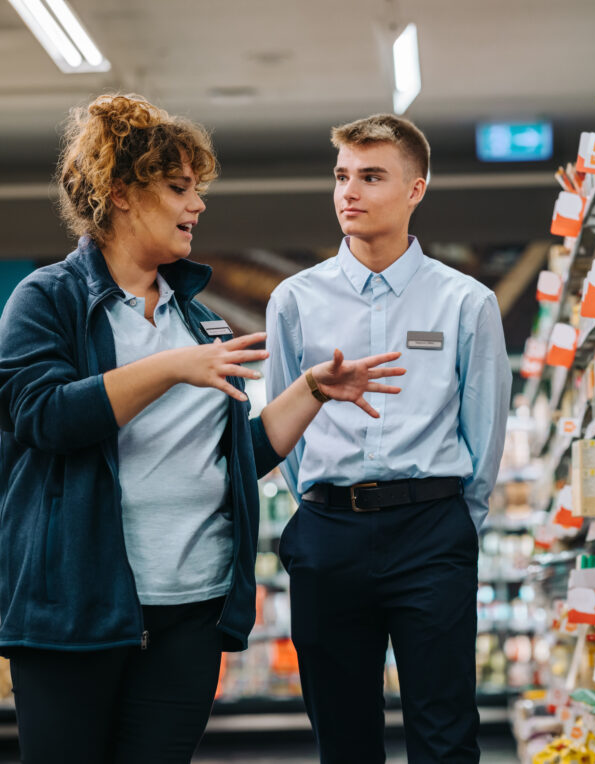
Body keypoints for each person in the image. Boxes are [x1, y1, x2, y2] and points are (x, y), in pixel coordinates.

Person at [0, 93, 405, 764]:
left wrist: (310, 392)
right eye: (179, 187)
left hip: (191, 610)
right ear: (123, 192)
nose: (198, 205)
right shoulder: (49, 300)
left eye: (199, 188)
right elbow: (41, 416)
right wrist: (169, 369)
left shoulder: (195, 319)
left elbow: (230, 458)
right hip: (77, 611)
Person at [265, 113, 512, 763]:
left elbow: (484, 432)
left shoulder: (466, 303)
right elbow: (281, 428)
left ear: (415, 190)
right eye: (342, 176)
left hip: (431, 531)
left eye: (372, 176)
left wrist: (457, 522)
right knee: (342, 739)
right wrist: (320, 508)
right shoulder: (294, 300)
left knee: (446, 733)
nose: (350, 191)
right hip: (327, 533)